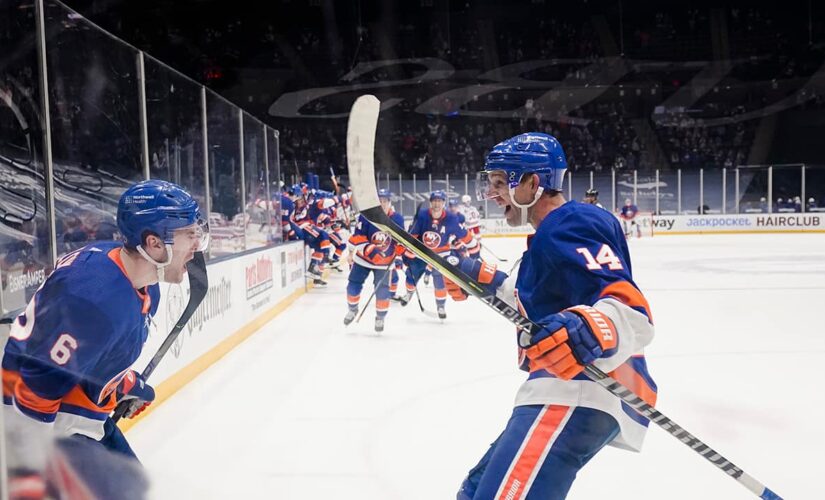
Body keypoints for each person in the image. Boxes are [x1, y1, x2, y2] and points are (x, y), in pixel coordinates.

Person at [448, 133, 656, 499]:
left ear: (533, 183)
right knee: (475, 491)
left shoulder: (571, 222)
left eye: (501, 183)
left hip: (578, 390)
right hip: (569, 392)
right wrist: (481, 276)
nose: (493, 194)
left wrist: (587, 328)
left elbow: (628, 309)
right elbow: (541, 308)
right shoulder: (549, 237)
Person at [2, 179, 209, 497]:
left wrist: (123, 386)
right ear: (154, 244)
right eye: (189, 236)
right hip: (45, 423)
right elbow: (34, 389)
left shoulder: (142, 280)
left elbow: (86, 356)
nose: (197, 246)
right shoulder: (93, 297)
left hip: (75, 414)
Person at [400, 190, 476, 319]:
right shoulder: (423, 215)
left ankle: (440, 306)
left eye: (439, 201)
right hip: (421, 252)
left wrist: (473, 245)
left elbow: (463, 234)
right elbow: (413, 234)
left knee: (440, 282)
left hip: (441, 255)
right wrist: (407, 251)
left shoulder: (451, 218)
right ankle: (409, 293)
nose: (437, 204)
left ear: (444, 203)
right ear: (430, 202)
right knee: (410, 276)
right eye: (434, 201)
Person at [344, 189, 405, 332]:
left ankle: (380, 317)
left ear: (390, 203)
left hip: (385, 263)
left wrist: (401, 250)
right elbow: (356, 237)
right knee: (353, 285)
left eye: (385, 201)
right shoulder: (366, 216)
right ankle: (352, 309)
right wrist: (369, 250)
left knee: (383, 292)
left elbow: (401, 240)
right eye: (380, 201)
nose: (382, 204)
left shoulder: (397, 219)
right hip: (363, 259)